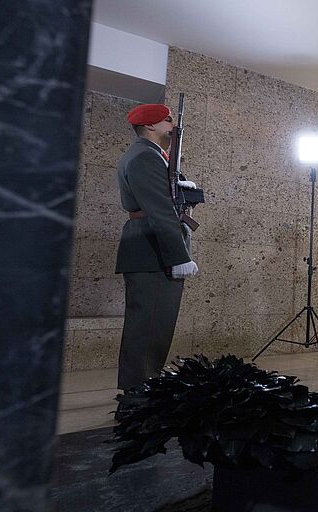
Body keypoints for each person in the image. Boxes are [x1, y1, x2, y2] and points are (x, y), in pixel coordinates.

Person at [115, 103, 199, 390]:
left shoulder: (152, 155)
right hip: (153, 251)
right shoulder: (145, 157)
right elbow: (161, 211)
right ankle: (137, 398)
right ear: (150, 125)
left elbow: (164, 200)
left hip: (151, 249)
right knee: (148, 332)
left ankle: (142, 393)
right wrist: (179, 256)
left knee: (153, 330)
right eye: (167, 120)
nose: (173, 125)